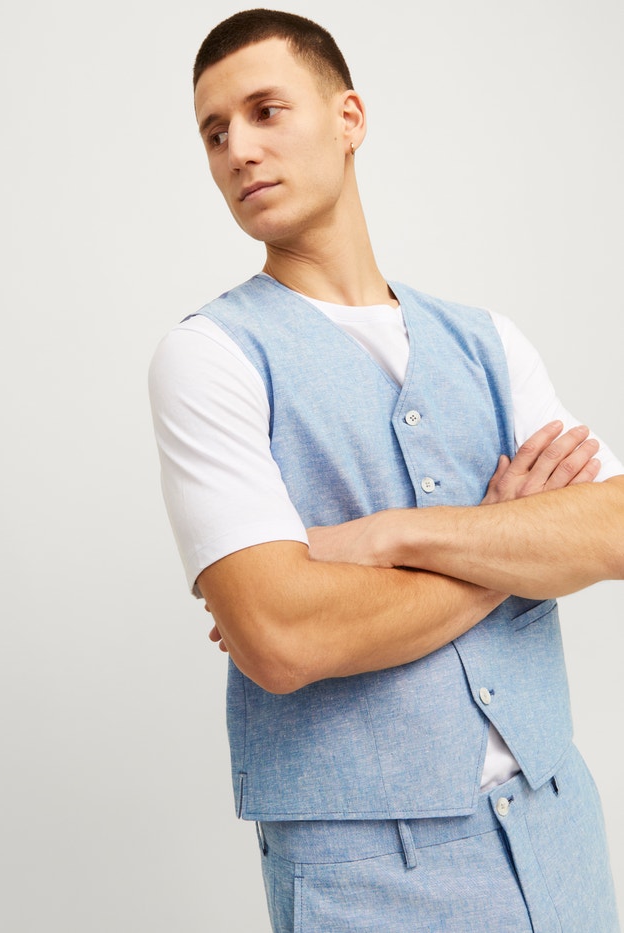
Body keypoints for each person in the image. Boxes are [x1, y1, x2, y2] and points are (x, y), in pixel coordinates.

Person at [149, 9, 623, 931]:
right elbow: (280, 635)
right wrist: (511, 540)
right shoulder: (209, 358)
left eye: (265, 111)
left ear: (349, 119)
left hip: (557, 836)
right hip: (367, 879)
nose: (238, 149)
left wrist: (381, 538)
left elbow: (612, 528)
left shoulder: (487, 341)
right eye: (214, 133)